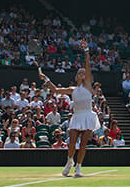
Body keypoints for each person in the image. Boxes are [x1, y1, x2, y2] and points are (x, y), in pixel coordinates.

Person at [39, 40, 99, 177]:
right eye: (80, 73)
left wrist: (86, 51)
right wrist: (46, 79)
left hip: (88, 116)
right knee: (72, 143)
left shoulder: (89, 86)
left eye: (84, 74)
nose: (83, 74)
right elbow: (55, 90)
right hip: (77, 116)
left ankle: (79, 166)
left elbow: (88, 65)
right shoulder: (72, 89)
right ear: (76, 76)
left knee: (83, 145)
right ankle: (69, 162)